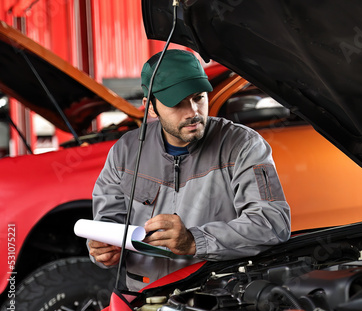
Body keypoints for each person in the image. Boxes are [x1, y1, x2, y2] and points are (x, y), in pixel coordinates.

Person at [88, 49, 291, 291]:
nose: (193, 112)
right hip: (144, 296)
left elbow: (272, 223)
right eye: (178, 103)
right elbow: (107, 224)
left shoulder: (243, 146)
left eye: (198, 98)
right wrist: (102, 251)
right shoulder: (125, 152)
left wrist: (195, 241)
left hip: (218, 296)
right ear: (150, 107)